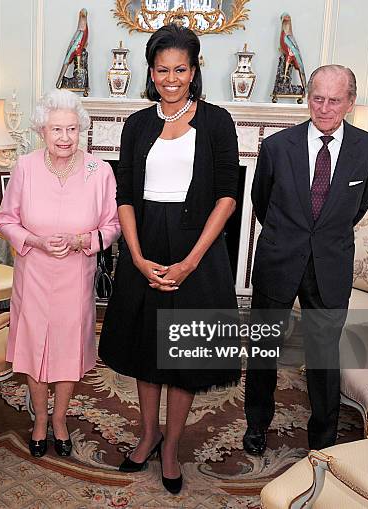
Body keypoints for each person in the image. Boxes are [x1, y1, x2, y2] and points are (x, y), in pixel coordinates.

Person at [98, 24, 241, 495]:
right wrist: (135, 257)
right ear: (151, 72)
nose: (171, 78)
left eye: (181, 69)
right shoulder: (137, 124)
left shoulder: (217, 121)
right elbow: (124, 197)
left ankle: (171, 447)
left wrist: (191, 262)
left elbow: (227, 196)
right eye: (162, 69)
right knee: (146, 351)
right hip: (146, 244)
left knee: (182, 356)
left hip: (196, 248)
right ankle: (147, 434)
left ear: (195, 69)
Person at [242, 65, 368, 456]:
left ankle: (323, 439)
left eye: (334, 100)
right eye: (317, 98)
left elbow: (355, 209)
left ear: (350, 103)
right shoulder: (277, 146)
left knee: (324, 357)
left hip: (330, 265)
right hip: (279, 260)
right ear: (308, 98)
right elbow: (262, 202)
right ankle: (256, 424)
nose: (323, 108)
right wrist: (290, 236)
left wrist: (321, 238)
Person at [0, 89, 120, 460]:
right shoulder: (25, 167)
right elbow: (5, 220)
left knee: (67, 349)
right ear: (42, 131)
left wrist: (83, 240)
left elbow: (112, 226)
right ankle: (38, 421)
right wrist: (34, 240)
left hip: (75, 276)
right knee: (35, 348)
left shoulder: (101, 171)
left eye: (71, 129)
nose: (64, 138)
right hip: (33, 272)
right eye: (56, 130)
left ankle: (61, 420)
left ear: (81, 129)